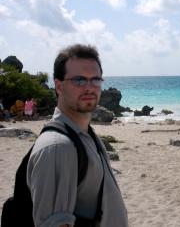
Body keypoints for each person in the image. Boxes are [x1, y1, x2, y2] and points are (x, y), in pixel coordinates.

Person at [26, 44, 128, 226]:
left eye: (95, 79)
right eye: (79, 80)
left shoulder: (83, 134)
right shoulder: (58, 148)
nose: (89, 87)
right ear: (58, 86)